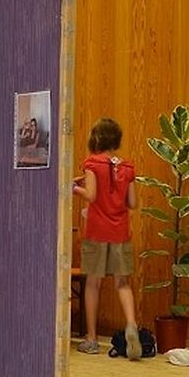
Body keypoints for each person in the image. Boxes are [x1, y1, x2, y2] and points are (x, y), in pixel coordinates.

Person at [72, 117, 142, 360]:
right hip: (120, 232)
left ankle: (91, 339)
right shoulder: (127, 167)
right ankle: (131, 324)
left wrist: (73, 188)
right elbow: (133, 202)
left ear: (96, 138)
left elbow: (91, 195)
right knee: (122, 283)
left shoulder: (92, 164)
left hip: (97, 232)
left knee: (93, 284)